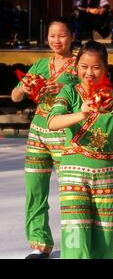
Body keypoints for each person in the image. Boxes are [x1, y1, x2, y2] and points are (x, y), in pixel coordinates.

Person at [47, 41, 113, 258]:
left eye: (96, 67)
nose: (89, 73)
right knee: (75, 233)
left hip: (106, 174)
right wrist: (82, 113)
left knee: (107, 235)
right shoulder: (69, 92)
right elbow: (53, 122)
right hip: (73, 174)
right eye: (84, 67)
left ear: (106, 70)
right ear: (76, 68)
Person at [10, 17, 78, 259]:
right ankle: (39, 244)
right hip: (38, 132)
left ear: (71, 36)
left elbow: (95, 91)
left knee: (71, 192)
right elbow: (15, 96)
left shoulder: (81, 65)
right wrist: (23, 89)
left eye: (61, 35)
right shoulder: (40, 64)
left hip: (65, 133)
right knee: (35, 189)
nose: (56, 40)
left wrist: (66, 89)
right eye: (52, 36)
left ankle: (74, 244)